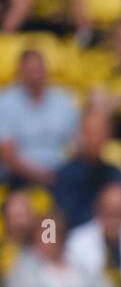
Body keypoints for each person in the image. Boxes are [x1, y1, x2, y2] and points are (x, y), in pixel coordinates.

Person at [5, 210, 116, 287]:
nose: (48, 243)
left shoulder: (79, 265)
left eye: (52, 236)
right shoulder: (24, 270)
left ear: (62, 238)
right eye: (44, 237)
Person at [0, 49, 80, 188]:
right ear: (20, 74)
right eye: (29, 71)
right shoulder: (5, 102)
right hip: (19, 176)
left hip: (61, 173)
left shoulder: (64, 100)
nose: (35, 76)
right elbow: (7, 152)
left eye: (38, 70)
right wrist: (39, 175)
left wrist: (63, 170)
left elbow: (77, 142)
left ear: (46, 71)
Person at [52, 107, 121, 229]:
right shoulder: (65, 176)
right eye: (90, 133)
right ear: (80, 135)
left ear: (108, 136)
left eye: (100, 133)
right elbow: (66, 219)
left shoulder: (115, 174)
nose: (94, 139)